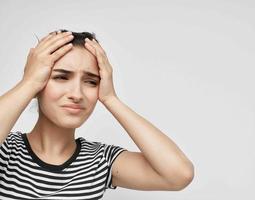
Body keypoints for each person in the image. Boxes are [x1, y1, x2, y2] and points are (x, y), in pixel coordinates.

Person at [0, 29, 194, 199]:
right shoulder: (6, 150)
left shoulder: (99, 160)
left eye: (91, 82)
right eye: (61, 77)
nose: (76, 94)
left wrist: (111, 99)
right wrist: (28, 84)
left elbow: (179, 174)